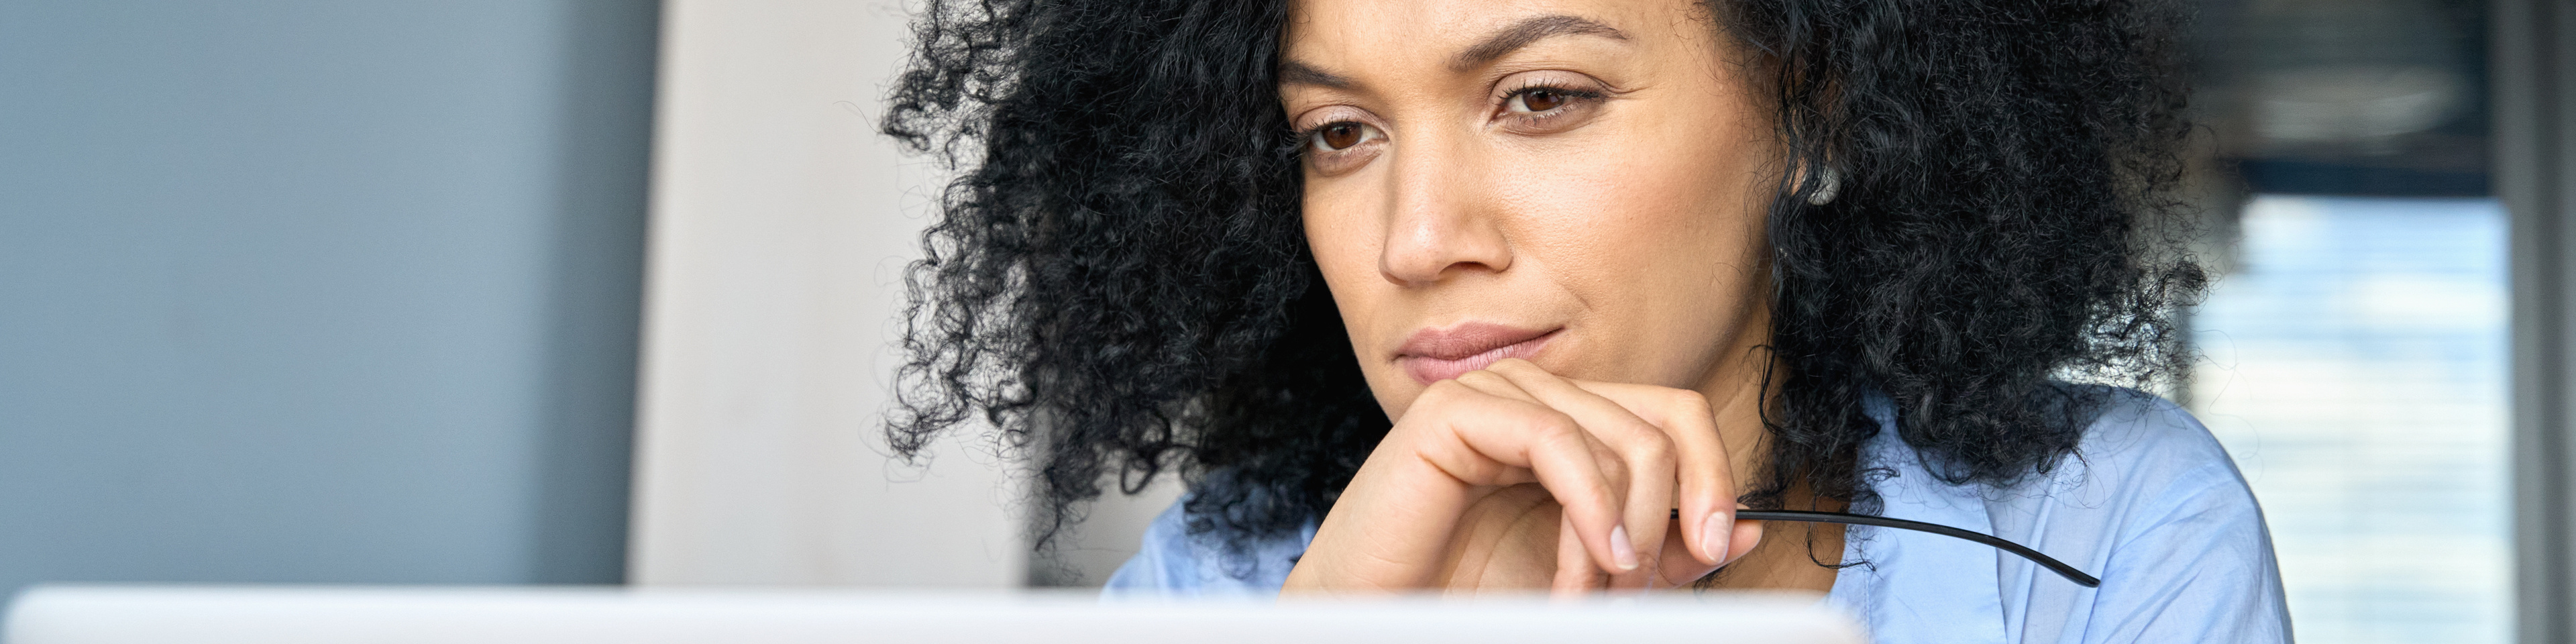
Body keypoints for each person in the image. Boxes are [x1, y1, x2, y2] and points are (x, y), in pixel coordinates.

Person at [881, 0, 2291, 641]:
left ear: (1815, 116)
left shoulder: (2105, 533)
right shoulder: (1225, 589)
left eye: (1541, 98)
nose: (1416, 240)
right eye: (1339, 133)